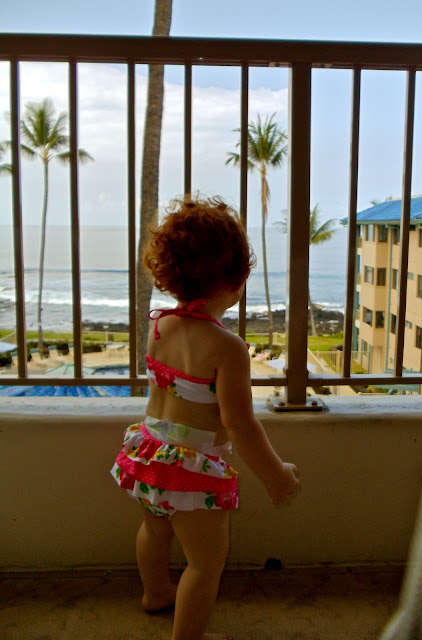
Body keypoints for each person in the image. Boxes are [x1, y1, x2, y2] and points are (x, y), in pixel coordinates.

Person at [111, 195, 299, 640]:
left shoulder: (159, 326)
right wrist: (276, 475)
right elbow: (240, 424)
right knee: (205, 562)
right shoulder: (228, 348)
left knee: (153, 532)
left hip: (148, 454)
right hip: (192, 471)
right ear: (238, 278)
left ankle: (155, 592)